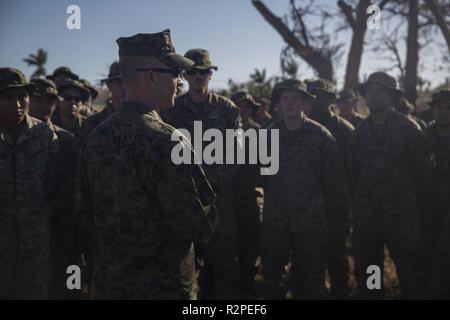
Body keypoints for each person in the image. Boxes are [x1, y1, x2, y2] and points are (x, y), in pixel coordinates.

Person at [75, 29, 216, 299]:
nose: (179, 82)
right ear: (152, 77)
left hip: (111, 286)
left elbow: (83, 218)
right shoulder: (168, 141)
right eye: (174, 73)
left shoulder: (95, 138)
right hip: (164, 288)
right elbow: (197, 225)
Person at [163, 48, 241, 299]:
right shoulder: (171, 110)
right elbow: (164, 154)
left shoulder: (228, 109)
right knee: (185, 267)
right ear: (184, 75)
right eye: (193, 72)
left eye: (204, 72)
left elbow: (237, 153)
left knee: (225, 265)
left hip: (219, 201)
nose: (198, 76)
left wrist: (211, 182)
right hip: (184, 200)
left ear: (211, 75)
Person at [350, 71, 434, 299]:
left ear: (392, 97)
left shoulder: (409, 130)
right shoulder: (359, 134)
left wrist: (422, 216)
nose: (374, 96)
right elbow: (353, 175)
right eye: (370, 91)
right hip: (369, 220)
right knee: (371, 275)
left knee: (410, 275)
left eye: (381, 91)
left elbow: (424, 176)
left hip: (402, 218)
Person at [261, 79, 348, 299]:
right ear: (278, 104)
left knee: (312, 282)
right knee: (272, 283)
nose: (290, 104)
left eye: (296, 99)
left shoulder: (321, 137)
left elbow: (333, 185)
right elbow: (258, 178)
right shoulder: (267, 137)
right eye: (285, 99)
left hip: (310, 224)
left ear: (304, 104)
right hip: (276, 224)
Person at [0, 68, 60, 299]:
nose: (17, 104)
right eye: (7, 98)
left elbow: (55, 189)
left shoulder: (44, 136)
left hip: (36, 247)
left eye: (22, 97)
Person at [28, 78, 79, 299]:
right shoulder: (12, 140)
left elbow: (73, 187)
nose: (43, 106)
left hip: (62, 230)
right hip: (26, 232)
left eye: (49, 100)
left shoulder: (66, 139)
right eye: (37, 100)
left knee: (68, 286)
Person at [307, 79, 353, 299]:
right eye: (314, 96)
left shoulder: (344, 129)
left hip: (335, 207)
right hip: (305, 208)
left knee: (337, 258)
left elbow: (355, 171)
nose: (318, 101)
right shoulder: (298, 126)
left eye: (323, 97)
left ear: (331, 100)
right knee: (308, 259)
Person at [231, 91, 261, 299]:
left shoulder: (260, 133)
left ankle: (247, 293)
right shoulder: (223, 133)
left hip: (250, 201)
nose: (244, 111)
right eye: (240, 106)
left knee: (249, 253)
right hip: (227, 202)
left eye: (248, 107)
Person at [425, 89, 450, 298]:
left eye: (447, 108)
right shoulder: (425, 134)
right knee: (429, 253)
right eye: (438, 107)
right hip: (430, 207)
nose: (442, 112)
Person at [77, 61, 125, 148]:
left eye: (129, 81)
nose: (125, 87)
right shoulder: (93, 123)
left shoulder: (146, 121)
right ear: (109, 85)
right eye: (120, 82)